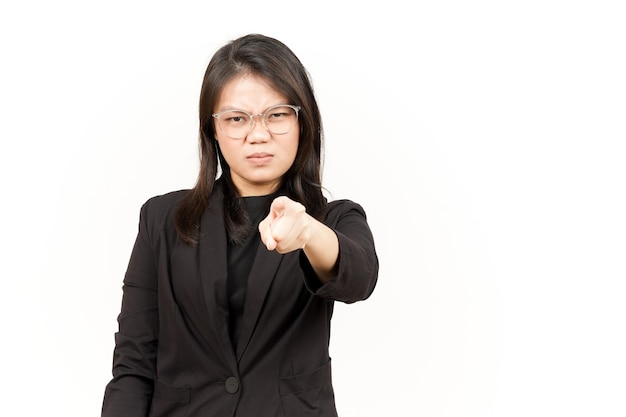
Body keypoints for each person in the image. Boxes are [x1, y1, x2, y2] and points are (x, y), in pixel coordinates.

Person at [101, 33, 378, 417]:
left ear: (302, 122)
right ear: (213, 130)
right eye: (236, 119)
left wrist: (309, 233)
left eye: (277, 114)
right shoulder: (161, 220)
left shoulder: (333, 220)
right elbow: (134, 363)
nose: (258, 134)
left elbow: (359, 277)